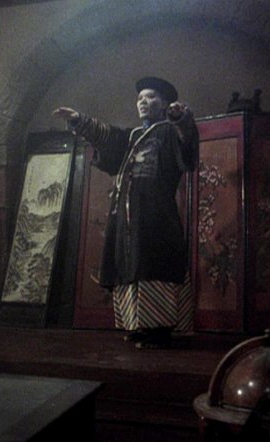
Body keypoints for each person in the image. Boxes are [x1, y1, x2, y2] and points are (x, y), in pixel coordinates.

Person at [53, 76, 198, 349]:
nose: (143, 101)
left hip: (156, 214)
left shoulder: (169, 131)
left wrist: (181, 119)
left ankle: (159, 330)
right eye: (140, 98)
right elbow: (109, 138)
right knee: (129, 265)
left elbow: (187, 139)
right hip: (126, 215)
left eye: (151, 97)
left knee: (153, 265)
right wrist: (79, 120)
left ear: (165, 103)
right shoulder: (132, 137)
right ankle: (138, 326)